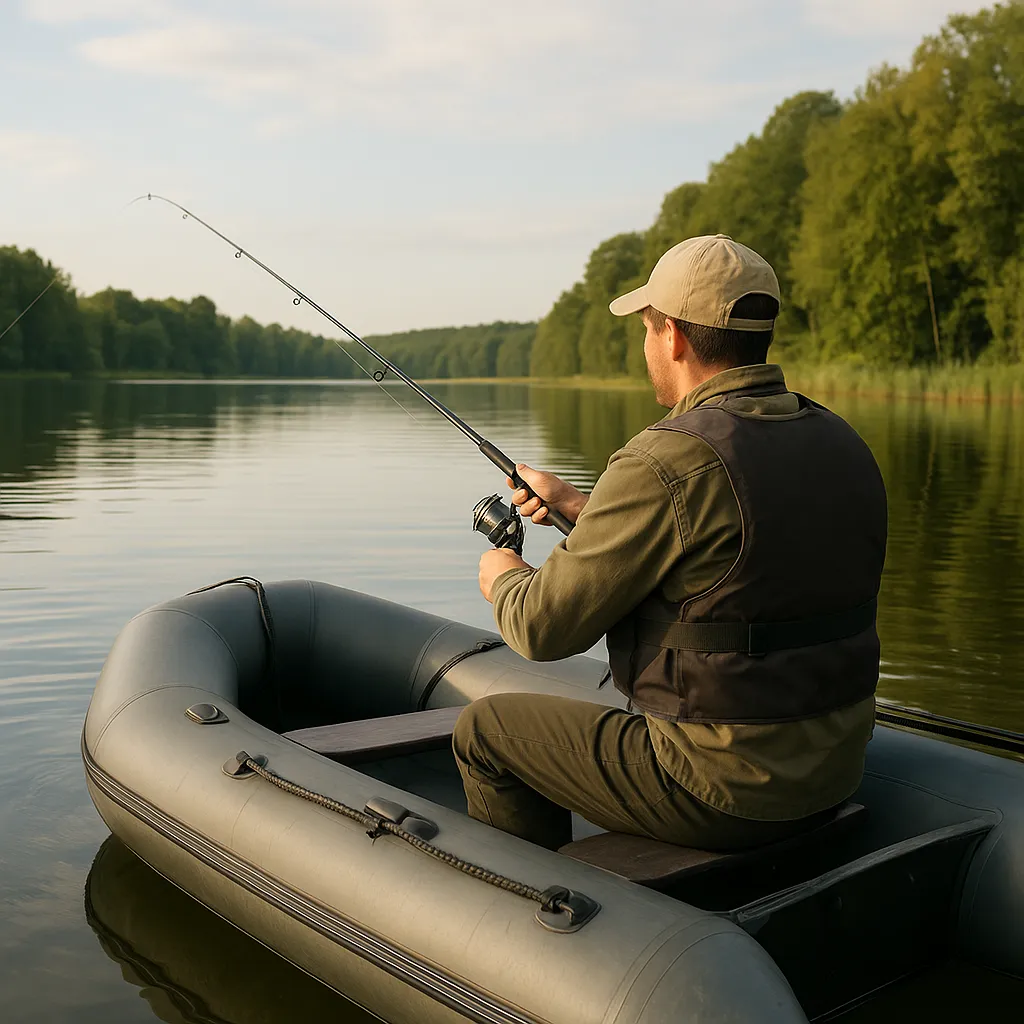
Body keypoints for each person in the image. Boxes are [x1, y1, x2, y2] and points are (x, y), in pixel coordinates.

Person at [454, 234, 887, 853]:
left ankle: (529, 912)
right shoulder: (842, 442)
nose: (647, 346)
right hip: (835, 771)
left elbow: (539, 628)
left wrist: (502, 574)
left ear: (675, 337)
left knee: (485, 731)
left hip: (719, 787)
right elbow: (742, 563)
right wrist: (581, 507)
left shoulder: (666, 457)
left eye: (647, 329)